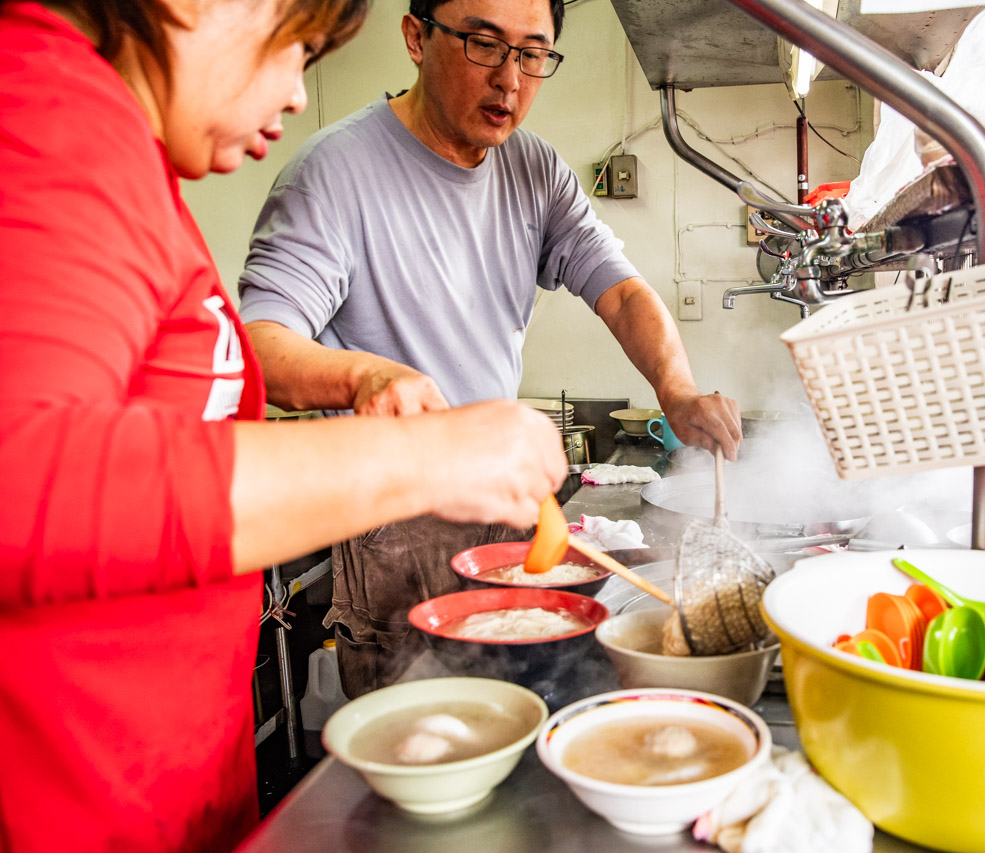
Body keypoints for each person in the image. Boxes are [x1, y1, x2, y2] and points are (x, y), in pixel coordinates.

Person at [0, 1, 568, 851]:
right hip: (73, 804)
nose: (299, 93)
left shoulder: (120, 152)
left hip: (160, 782)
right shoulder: (48, 116)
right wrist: (418, 458)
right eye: (297, 46)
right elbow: (24, 477)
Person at [236, 0, 743, 697]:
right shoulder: (334, 172)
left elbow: (621, 292)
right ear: (417, 37)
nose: (510, 80)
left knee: (523, 706)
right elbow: (258, 344)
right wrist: (364, 374)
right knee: (419, 730)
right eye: (483, 44)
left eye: (533, 54)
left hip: (504, 509)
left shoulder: (535, 171)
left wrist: (677, 388)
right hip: (393, 526)